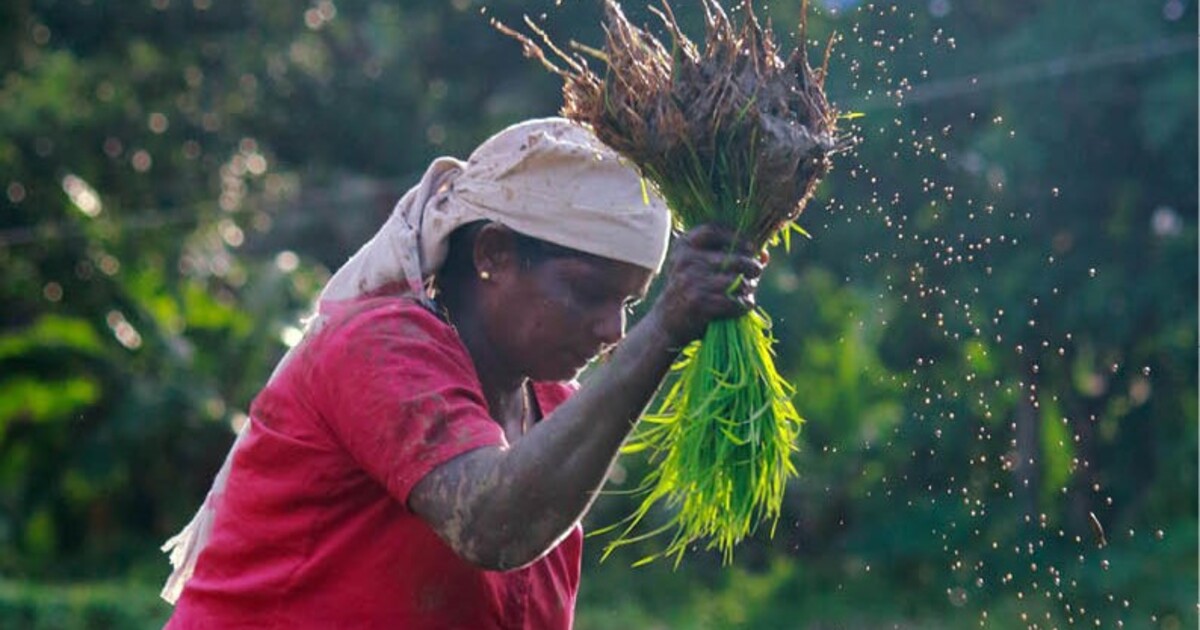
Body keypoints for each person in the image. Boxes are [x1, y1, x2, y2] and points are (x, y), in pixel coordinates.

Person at [160, 118, 764, 628]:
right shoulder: (379, 347)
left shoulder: (553, 405)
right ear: (493, 255)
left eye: (631, 305)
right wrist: (664, 330)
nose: (614, 331)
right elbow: (491, 525)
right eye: (588, 293)